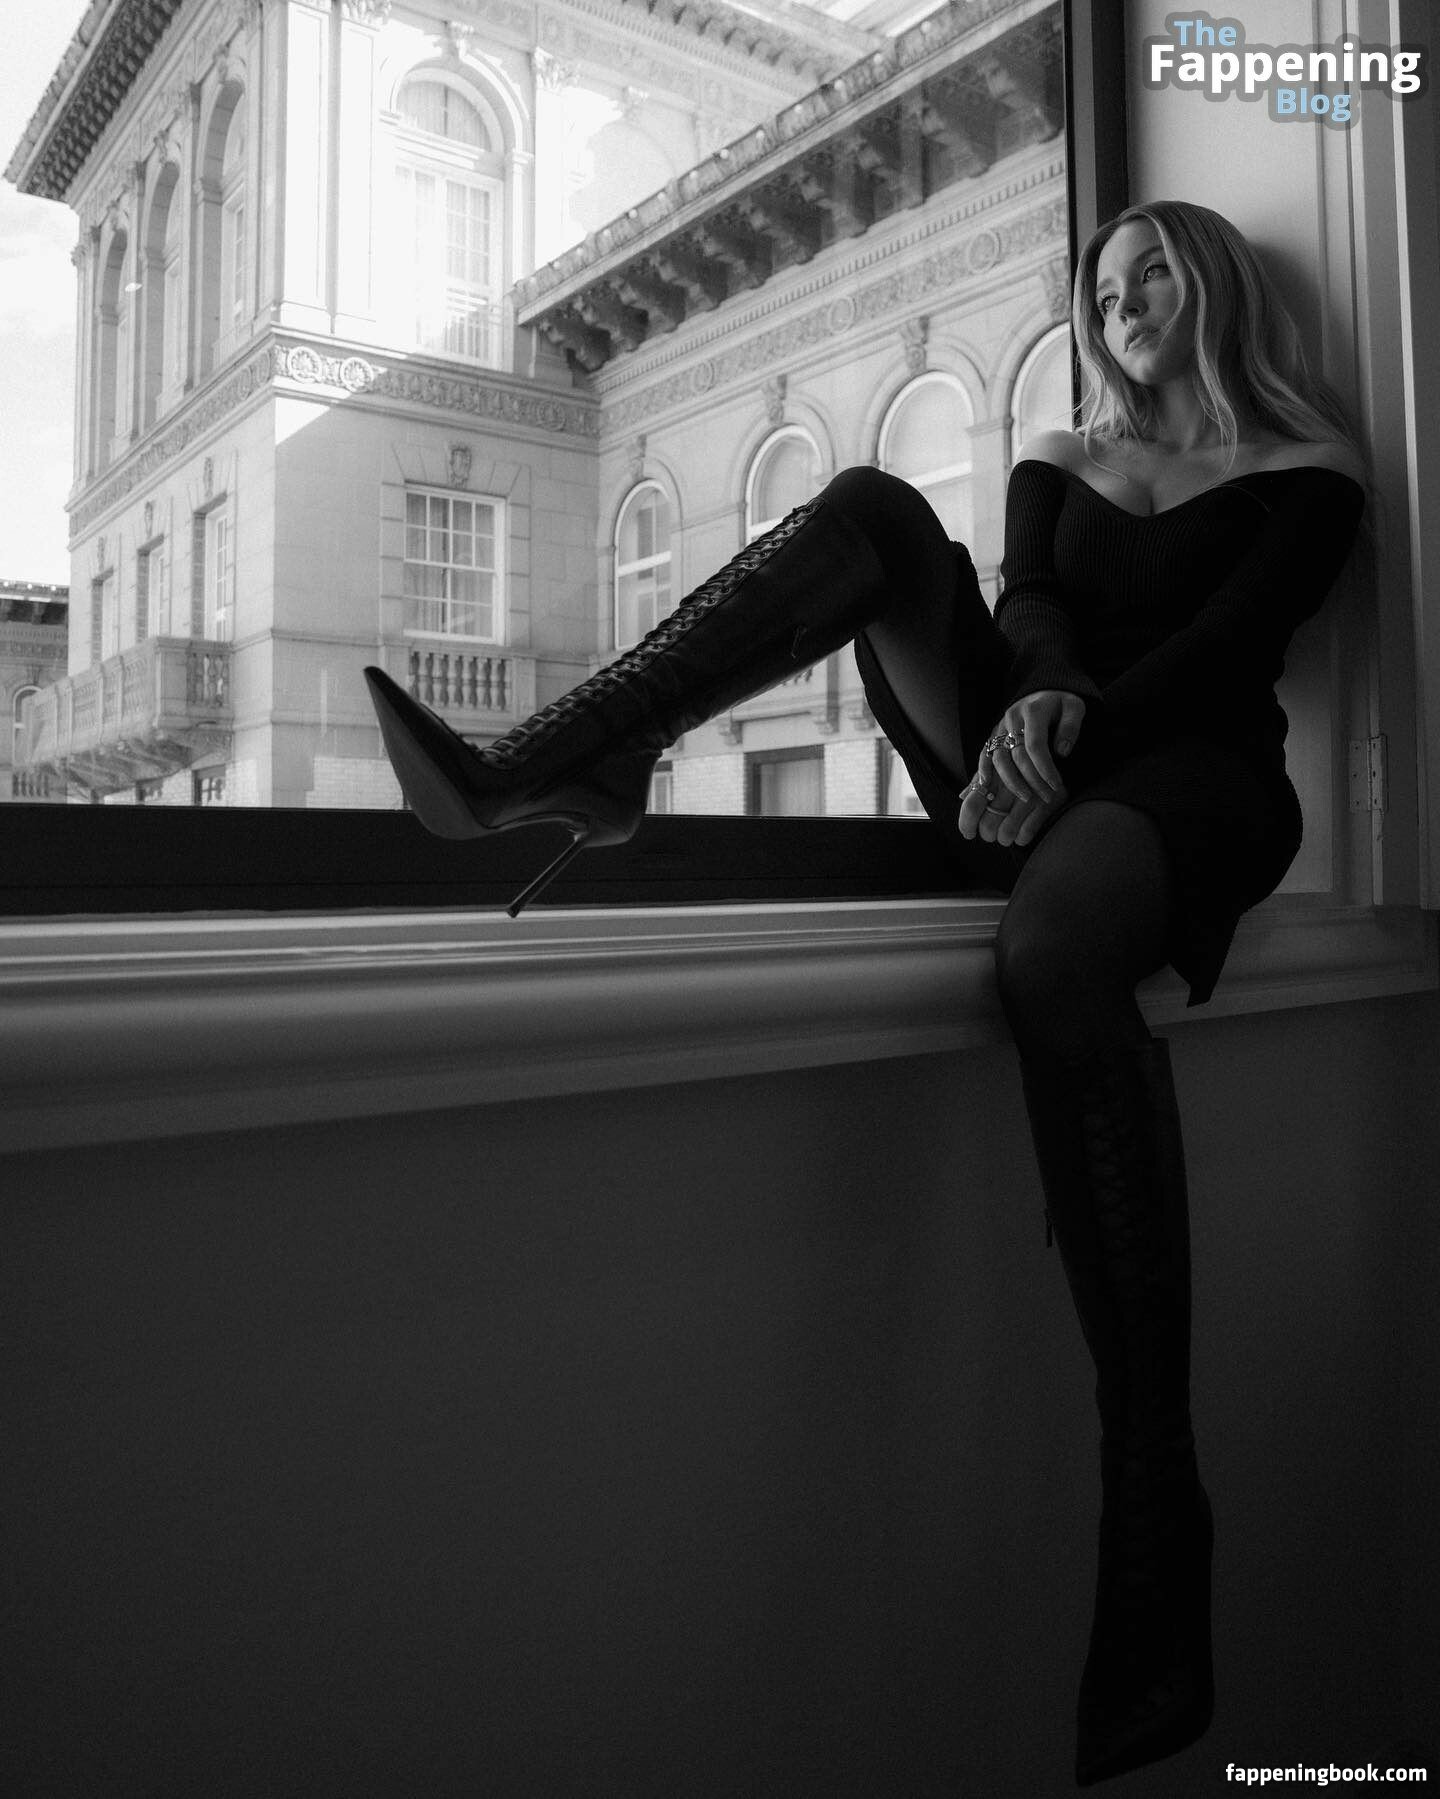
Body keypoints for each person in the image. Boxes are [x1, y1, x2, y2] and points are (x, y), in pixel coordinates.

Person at [364, 199, 1367, 1785]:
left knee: (1053, 956)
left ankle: (1154, 1488)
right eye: (1105, 282)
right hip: (1027, 757)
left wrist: (1070, 731)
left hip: (1190, 777)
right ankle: (572, 758)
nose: (1124, 298)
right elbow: (1030, 605)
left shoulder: (1306, 470)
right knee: (877, 509)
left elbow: (1229, 649)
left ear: (1216, 282)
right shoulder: (1063, 451)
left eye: (1155, 269)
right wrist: (1037, 703)